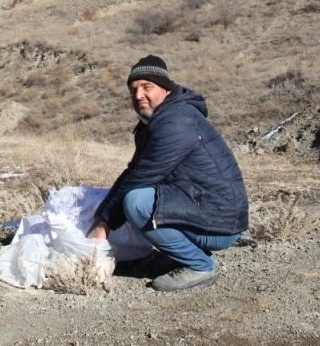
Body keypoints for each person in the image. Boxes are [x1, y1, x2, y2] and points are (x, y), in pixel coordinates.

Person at [88, 55, 248, 292]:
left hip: (220, 221)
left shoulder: (175, 122)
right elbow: (133, 171)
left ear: (165, 87)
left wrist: (105, 225)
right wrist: (101, 215)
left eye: (146, 87)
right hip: (204, 207)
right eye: (133, 90)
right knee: (131, 198)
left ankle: (200, 265)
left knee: (137, 203)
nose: (139, 95)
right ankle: (185, 253)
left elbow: (142, 175)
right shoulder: (156, 121)